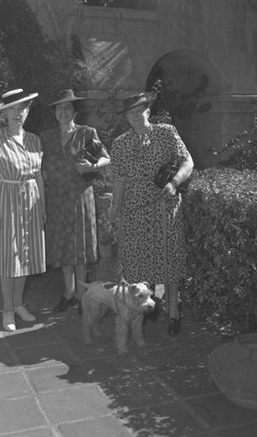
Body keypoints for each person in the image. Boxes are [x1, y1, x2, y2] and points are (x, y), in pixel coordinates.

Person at [110, 92, 194, 335]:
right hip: (134, 210)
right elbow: (119, 179)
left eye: (139, 111)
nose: (135, 116)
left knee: (167, 257)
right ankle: (149, 305)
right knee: (139, 261)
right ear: (126, 117)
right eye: (130, 113)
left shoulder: (167, 133)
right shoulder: (120, 144)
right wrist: (115, 208)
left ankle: (174, 313)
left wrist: (175, 182)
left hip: (164, 206)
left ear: (148, 111)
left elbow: (187, 162)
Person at [0, 88, 46, 332]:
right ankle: (7, 308)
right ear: (5, 113)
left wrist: (43, 206)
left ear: (28, 111)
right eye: (13, 109)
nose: (18, 113)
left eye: (22, 108)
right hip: (6, 203)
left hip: (31, 204)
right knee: (10, 259)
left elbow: (38, 176)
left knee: (26, 257)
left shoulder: (34, 140)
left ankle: (19, 304)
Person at [40, 89, 110, 312]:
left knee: (79, 245)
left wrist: (93, 166)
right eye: (59, 108)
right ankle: (68, 292)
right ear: (55, 113)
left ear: (75, 112)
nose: (63, 112)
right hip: (56, 198)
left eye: (68, 108)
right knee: (63, 245)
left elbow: (106, 158)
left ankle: (82, 294)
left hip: (80, 195)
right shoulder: (46, 138)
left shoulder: (88, 133)